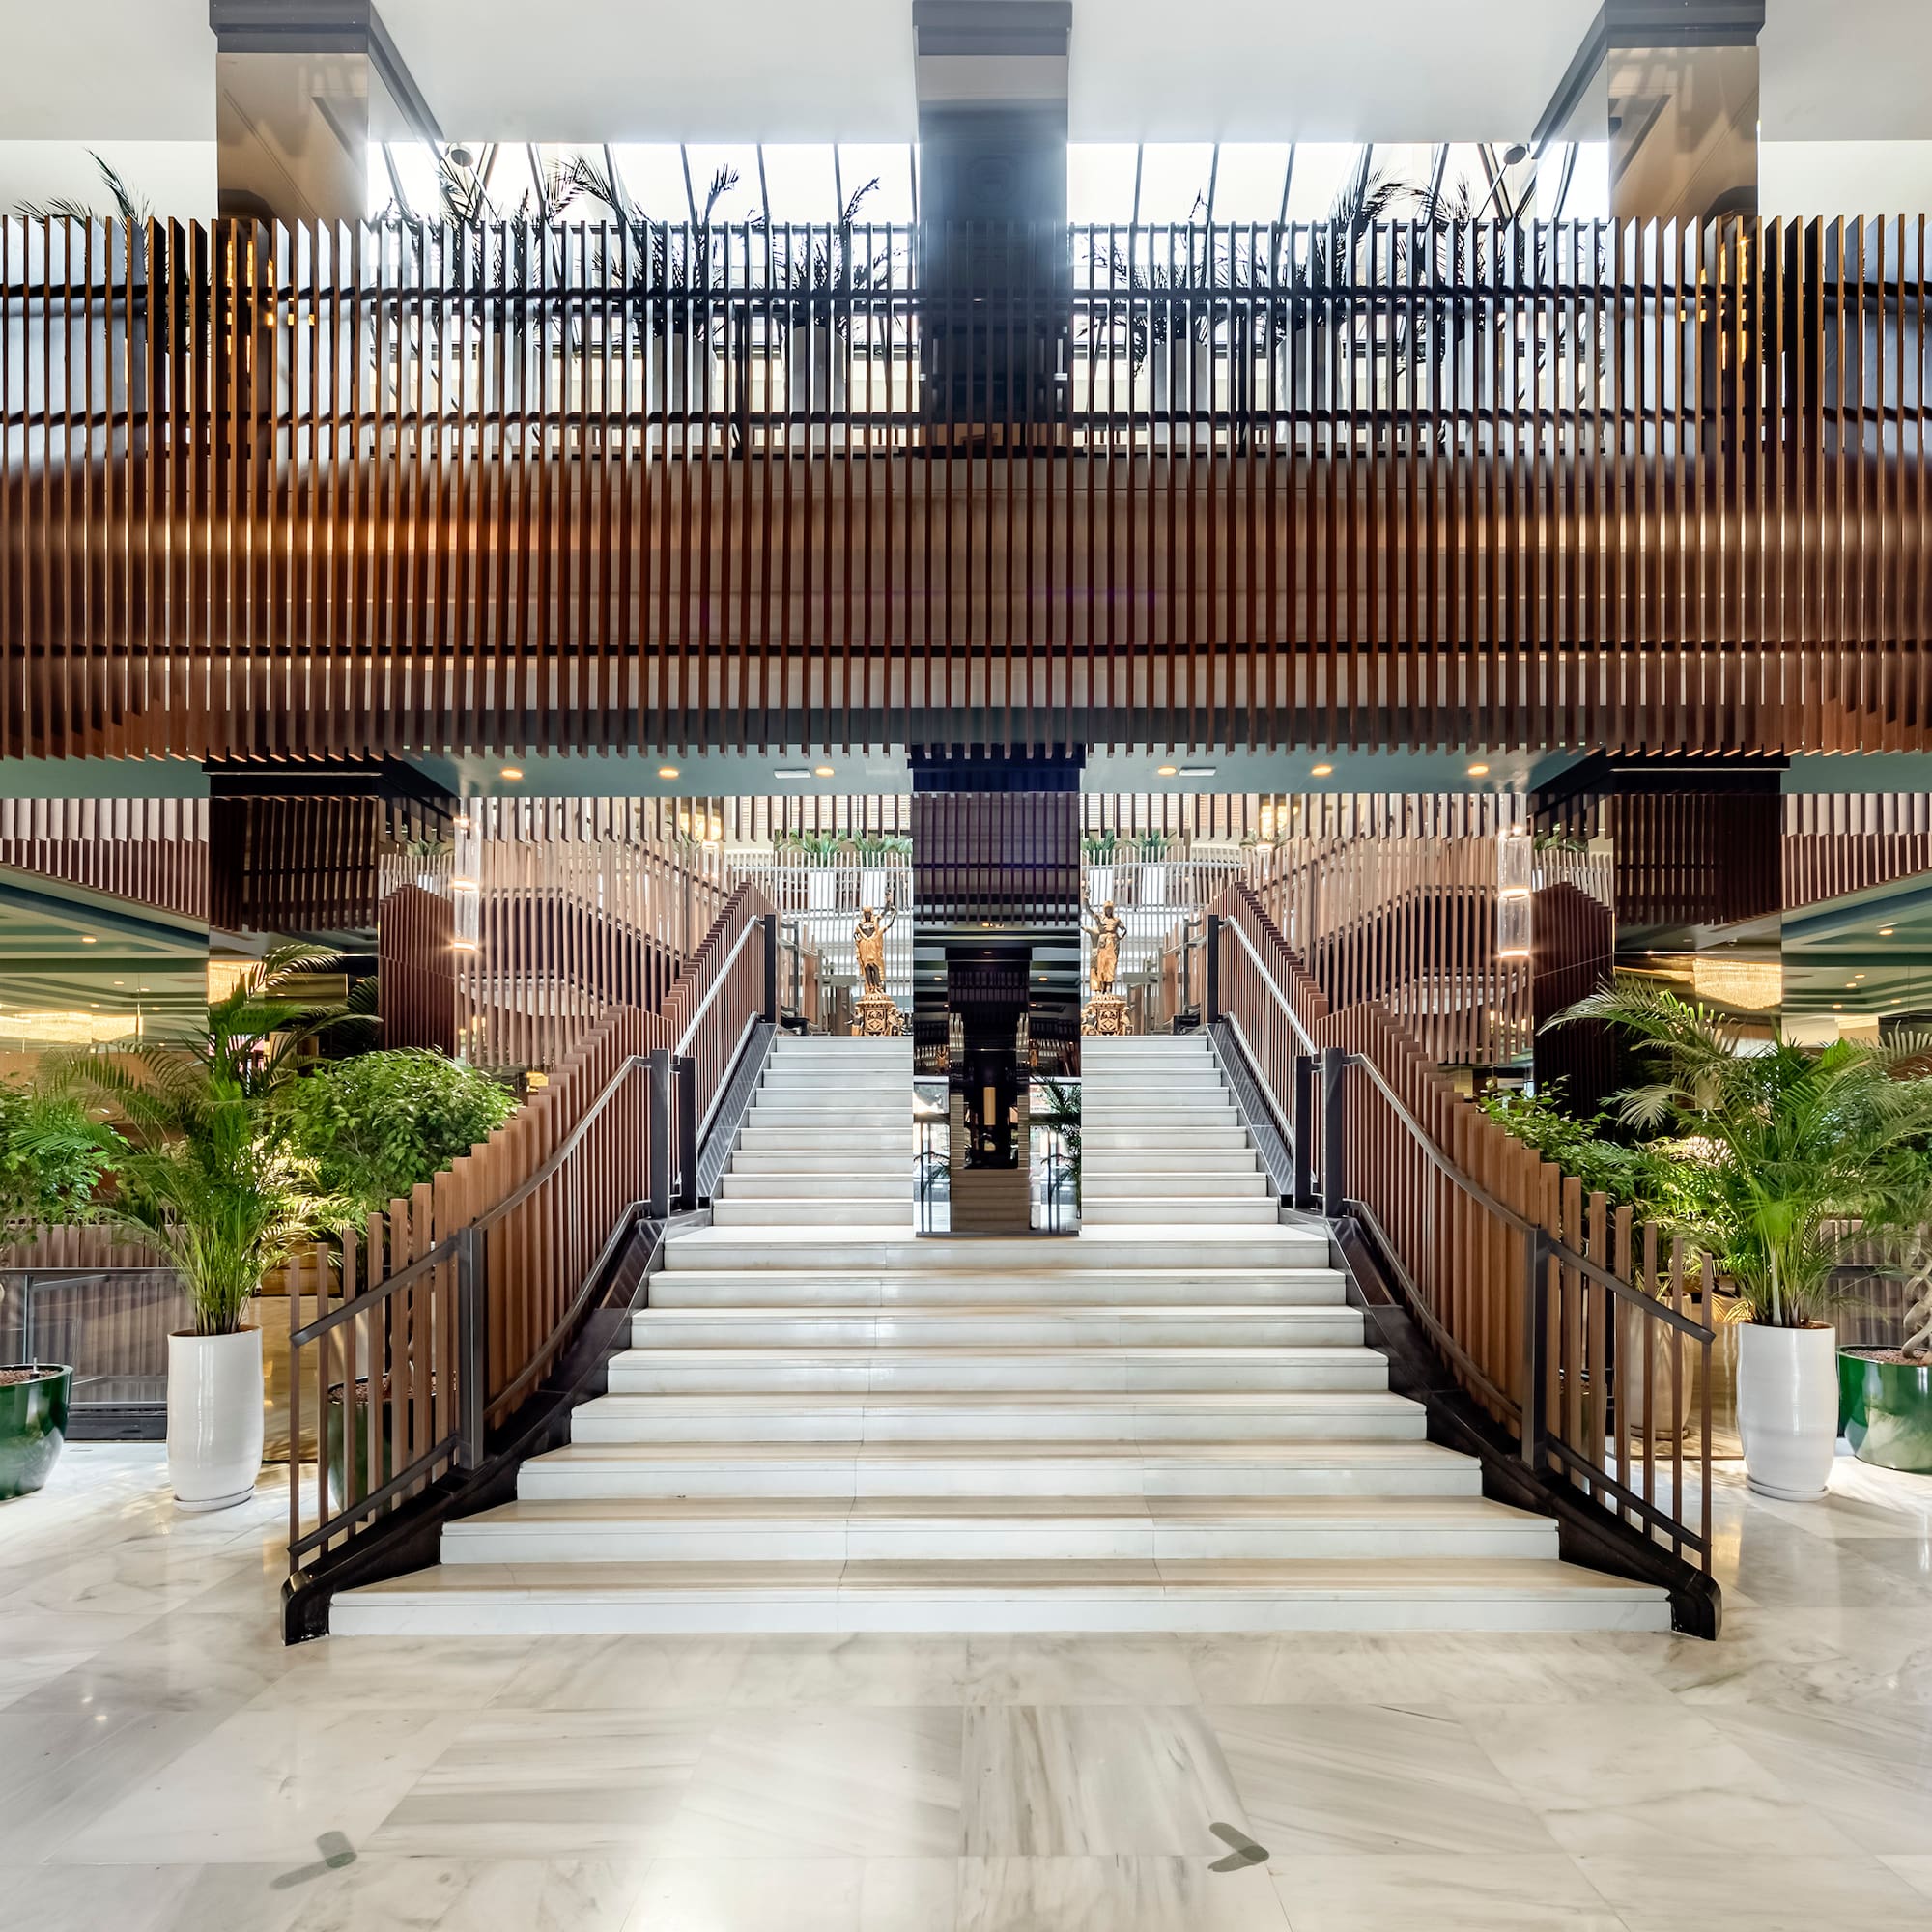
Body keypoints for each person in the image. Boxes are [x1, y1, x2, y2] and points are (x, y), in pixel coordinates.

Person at [853, 894, 896, 998]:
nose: (867, 915)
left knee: (875, 966)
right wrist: (859, 940)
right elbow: (855, 935)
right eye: (866, 913)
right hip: (864, 946)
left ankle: (878, 987)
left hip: (873, 945)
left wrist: (888, 902)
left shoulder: (876, 921)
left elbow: (884, 912)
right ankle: (871, 987)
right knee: (867, 967)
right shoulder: (860, 925)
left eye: (869, 913)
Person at [1083, 895, 1126, 996]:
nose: (1108, 911)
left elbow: (1124, 929)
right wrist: (1085, 899)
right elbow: (1088, 910)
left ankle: (1109, 988)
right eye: (1107, 909)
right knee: (1101, 965)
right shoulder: (1099, 918)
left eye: (1110, 909)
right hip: (1102, 943)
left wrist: (1120, 937)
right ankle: (1102, 988)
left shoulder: (1116, 920)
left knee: (1111, 965)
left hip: (1113, 944)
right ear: (1104, 909)